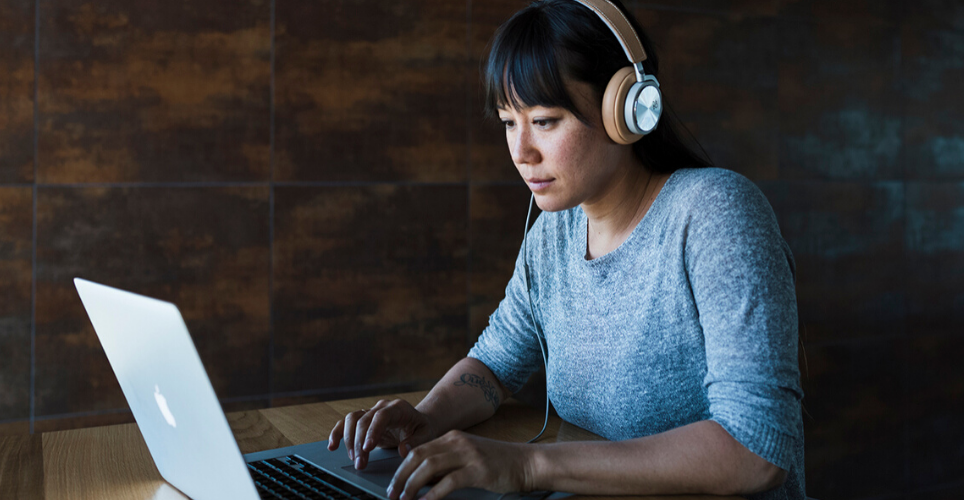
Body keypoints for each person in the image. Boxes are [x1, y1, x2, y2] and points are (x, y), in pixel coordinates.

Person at [328, 1, 805, 499]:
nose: (521, 152)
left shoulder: (713, 213)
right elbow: (494, 364)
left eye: (545, 121)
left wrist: (531, 466)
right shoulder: (552, 235)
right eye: (509, 122)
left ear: (627, 110)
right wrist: (424, 418)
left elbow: (756, 450)